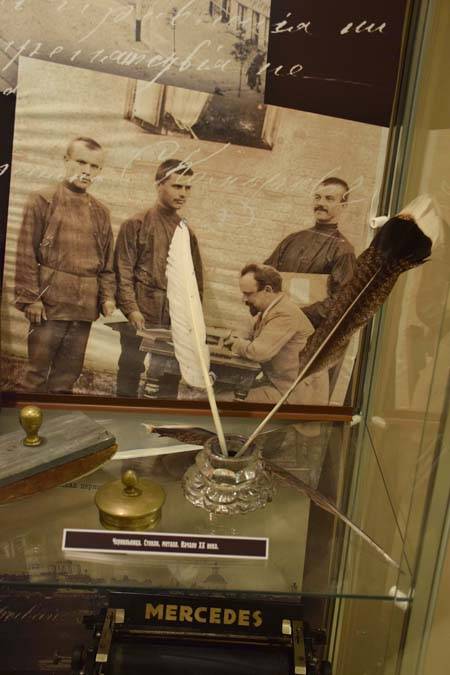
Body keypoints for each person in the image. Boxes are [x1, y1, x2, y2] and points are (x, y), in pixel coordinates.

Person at [14, 137, 116, 394]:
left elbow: (107, 264)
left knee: (67, 376)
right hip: (50, 304)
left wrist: (107, 297)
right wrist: (32, 298)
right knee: (36, 374)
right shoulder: (42, 200)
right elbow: (26, 252)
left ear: (100, 170)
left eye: (94, 166)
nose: (86, 171)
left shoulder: (101, 212)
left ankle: (58, 418)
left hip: (84, 306)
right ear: (66, 161)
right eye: (81, 162)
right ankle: (27, 417)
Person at [114, 159, 203, 397]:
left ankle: (163, 416)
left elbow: (195, 283)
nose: (183, 193)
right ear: (159, 185)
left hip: (175, 314)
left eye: (188, 188)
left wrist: (192, 319)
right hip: (142, 309)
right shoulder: (136, 224)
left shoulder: (186, 232)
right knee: (131, 366)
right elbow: (123, 272)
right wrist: (132, 309)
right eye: (177, 186)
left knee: (169, 372)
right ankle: (123, 411)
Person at [225, 264, 329, 405]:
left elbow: (259, 352)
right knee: (223, 392)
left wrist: (235, 344)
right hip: (282, 386)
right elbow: (248, 331)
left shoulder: (284, 314)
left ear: (268, 290)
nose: (244, 299)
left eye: (248, 294)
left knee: (218, 398)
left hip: (294, 396)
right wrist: (239, 339)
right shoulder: (271, 310)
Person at [264, 177, 357, 328]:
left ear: (343, 205)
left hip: (311, 329)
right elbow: (263, 277)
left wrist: (298, 316)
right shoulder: (292, 240)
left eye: (329, 199)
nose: (321, 203)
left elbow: (342, 299)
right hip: (274, 323)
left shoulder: (343, 250)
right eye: (317, 197)